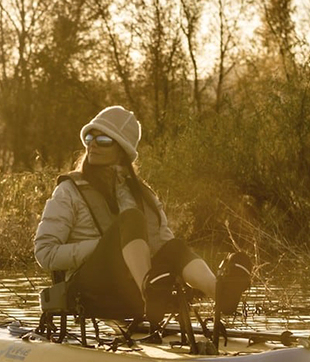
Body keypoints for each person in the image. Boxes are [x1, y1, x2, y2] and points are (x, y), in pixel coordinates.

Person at [33, 105, 248, 325]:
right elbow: (45, 254)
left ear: (122, 151)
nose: (92, 145)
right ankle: (150, 293)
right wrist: (101, 247)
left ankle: (220, 293)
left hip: (129, 294)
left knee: (175, 246)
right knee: (131, 218)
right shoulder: (69, 191)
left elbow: (164, 247)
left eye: (104, 140)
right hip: (90, 293)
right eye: (89, 137)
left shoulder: (143, 195)